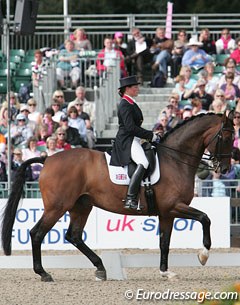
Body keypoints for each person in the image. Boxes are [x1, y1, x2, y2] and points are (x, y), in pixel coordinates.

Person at [110, 75, 160, 210]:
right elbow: (130, 128)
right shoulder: (125, 104)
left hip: (134, 138)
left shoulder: (130, 102)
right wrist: (151, 135)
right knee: (143, 162)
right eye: (135, 87)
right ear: (127, 89)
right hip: (127, 140)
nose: (138, 89)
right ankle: (130, 198)